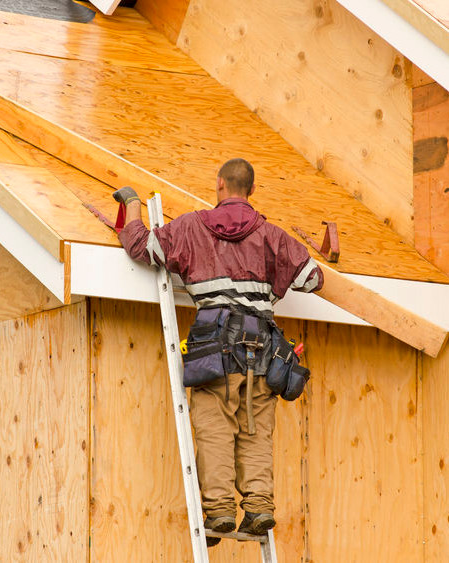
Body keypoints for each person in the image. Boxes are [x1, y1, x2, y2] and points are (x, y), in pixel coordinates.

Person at [113, 158, 323, 546]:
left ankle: (221, 512)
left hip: (214, 354)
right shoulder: (271, 236)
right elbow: (312, 278)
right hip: (262, 356)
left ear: (220, 185)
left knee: (214, 430)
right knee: (256, 433)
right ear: (251, 191)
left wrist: (134, 206)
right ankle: (259, 508)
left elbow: (144, 247)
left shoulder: (192, 227)